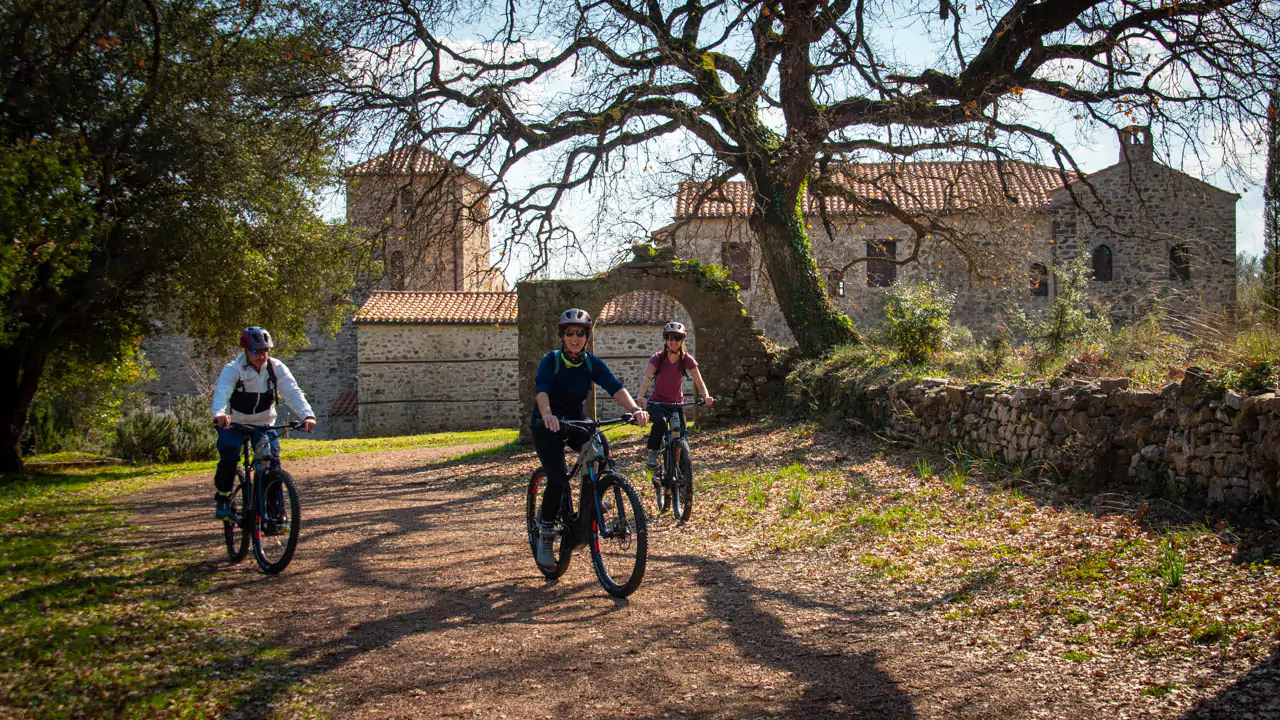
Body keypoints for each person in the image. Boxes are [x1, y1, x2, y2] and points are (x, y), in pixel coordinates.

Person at [532, 308, 648, 568]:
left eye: (580, 333)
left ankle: (593, 494)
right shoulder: (550, 361)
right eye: (570, 333)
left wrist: (635, 410)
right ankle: (546, 534)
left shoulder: (591, 363)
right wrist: (548, 415)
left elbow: (614, 387)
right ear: (563, 335)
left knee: (600, 446)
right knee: (559, 479)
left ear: (586, 336)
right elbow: (541, 390)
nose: (575, 338)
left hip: (576, 420)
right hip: (547, 423)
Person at [211, 326, 316, 520]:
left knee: (272, 462)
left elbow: (292, 392)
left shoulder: (276, 368)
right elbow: (222, 393)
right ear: (246, 351)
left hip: (264, 424)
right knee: (229, 451)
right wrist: (219, 413)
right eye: (255, 351)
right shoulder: (233, 370)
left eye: (265, 351)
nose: (261, 355)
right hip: (235, 423)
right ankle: (224, 496)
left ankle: (275, 512)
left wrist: (307, 415)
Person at [636, 321, 714, 470]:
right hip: (657, 403)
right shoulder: (658, 358)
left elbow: (698, 379)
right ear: (666, 340)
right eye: (670, 338)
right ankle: (653, 453)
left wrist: (706, 396)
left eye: (677, 338)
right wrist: (641, 396)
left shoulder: (686, 359)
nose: (673, 341)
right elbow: (647, 378)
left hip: (676, 404)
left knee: (681, 432)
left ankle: (682, 463)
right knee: (660, 423)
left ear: (682, 340)